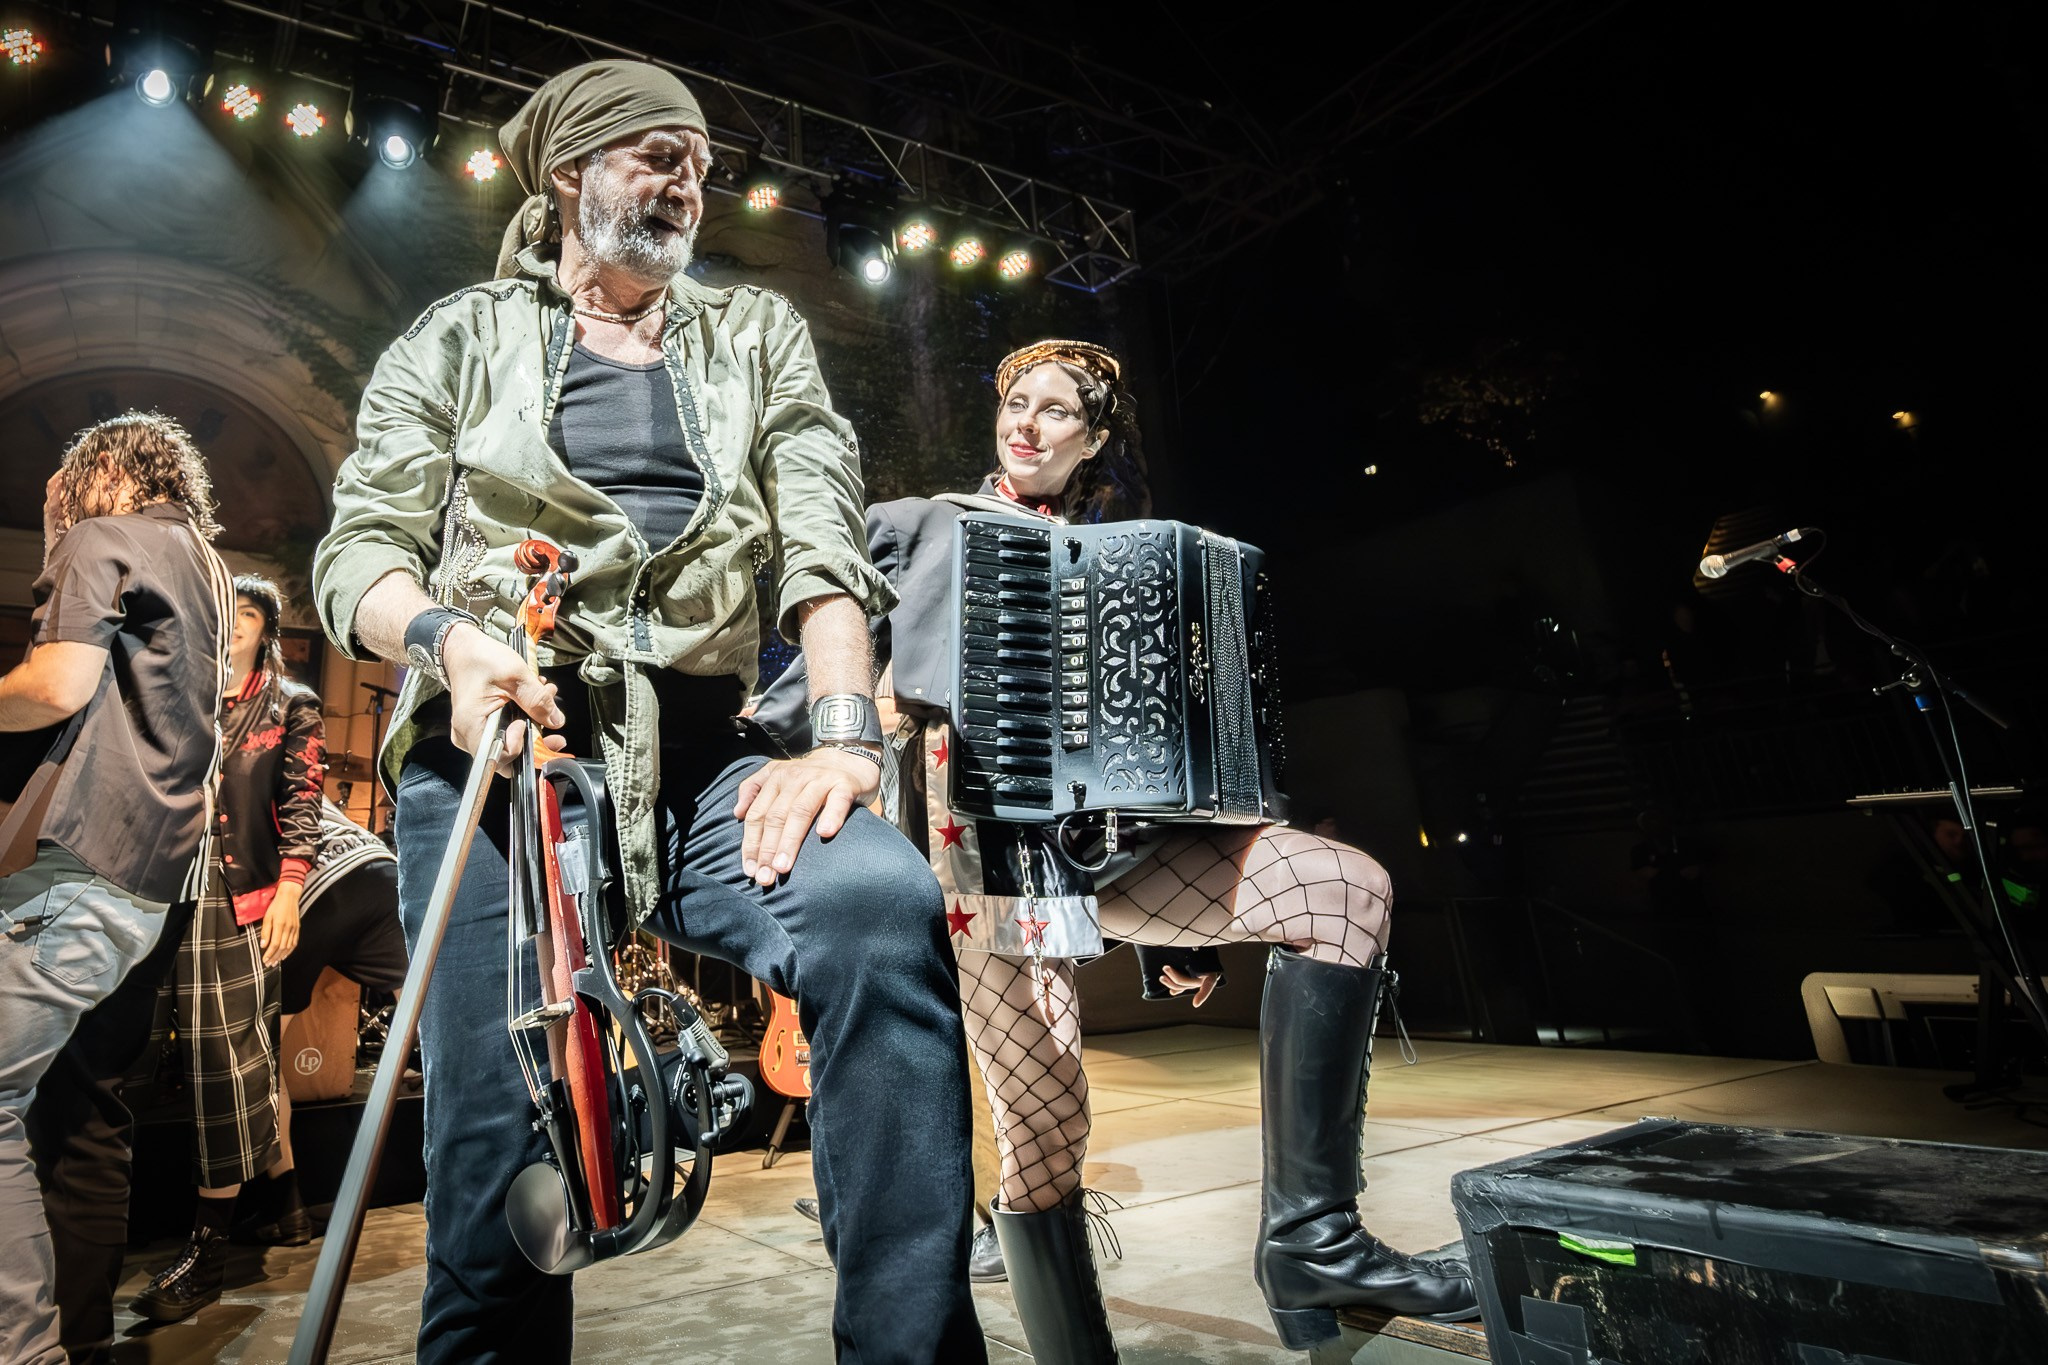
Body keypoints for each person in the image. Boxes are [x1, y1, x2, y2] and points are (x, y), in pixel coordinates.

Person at [310, 59, 983, 1363]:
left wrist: (844, 736)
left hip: (706, 759)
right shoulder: (457, 337)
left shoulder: (756, 336)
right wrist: (449, 644)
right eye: (657, 154)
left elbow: (823, 550)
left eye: (701, 164)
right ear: (570, 171)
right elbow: (360, 555)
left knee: (878, 905)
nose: (689, 181)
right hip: (510, 763)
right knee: (499, 1142)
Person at [757, 339, 1480, 1358]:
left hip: (1097, 860)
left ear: (1092, 438)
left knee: (1345, 890)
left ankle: (1313, 1241)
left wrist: (1180, 931)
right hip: (970, 858)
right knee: (1048, 1132)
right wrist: (884, 708)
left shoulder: (1118, 566)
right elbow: (816, 678)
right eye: (1016, 401)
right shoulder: (926, 524)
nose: (1026, 423)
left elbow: (1142, 759)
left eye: (1055, 410)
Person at [1, 413, 232, 1365]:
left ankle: (26, 1349)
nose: (58, 520)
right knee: (82, 1109)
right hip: (149, 886)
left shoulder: (107, 536)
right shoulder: (207, 566)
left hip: (83, 871)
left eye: (62, 498)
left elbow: (58, 683)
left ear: (104, 476)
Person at [130, 575, 328, 1323]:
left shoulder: (290, 703)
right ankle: (278, 1205)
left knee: (227, 1065)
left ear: (266, 629)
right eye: (224, 614)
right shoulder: (181, 692)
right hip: (157, 884)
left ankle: (207, 1252)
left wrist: (289, 891)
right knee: (135, 1051)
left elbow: (303, 800)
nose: (233, 625)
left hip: (237, 893)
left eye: (247, 615)